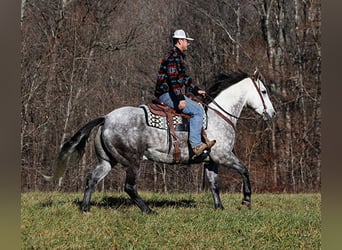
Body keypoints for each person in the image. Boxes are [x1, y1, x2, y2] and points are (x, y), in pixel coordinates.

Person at [154, 29, 216, 157]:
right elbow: (173, 80)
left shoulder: (177, 56)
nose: (188, 44)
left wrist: (196, 89)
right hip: (167, 94)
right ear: (180, 41)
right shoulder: (173, 57)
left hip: (170, 92)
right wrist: (180, 98)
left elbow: (184, 77)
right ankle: (196, 145)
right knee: (198, 111)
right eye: (186, 41)